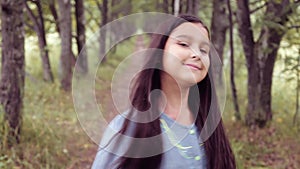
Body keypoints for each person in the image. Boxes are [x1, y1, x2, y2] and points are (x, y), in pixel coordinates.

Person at [92, 14, 236, 169]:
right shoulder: (129, 128)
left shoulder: (211, 128)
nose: (196, 55)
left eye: (203, 50)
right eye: (183, 44)